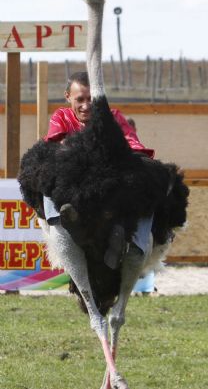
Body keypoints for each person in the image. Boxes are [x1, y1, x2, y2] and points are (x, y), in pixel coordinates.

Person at [43, 71, 155, 267]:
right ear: (68, 96)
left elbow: (134, 146)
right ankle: (60, 226)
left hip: (109, 184)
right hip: (73, 184)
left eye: (91, 99)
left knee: (149, 183)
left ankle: (136, 245)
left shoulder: (113, 118)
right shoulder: (61, 117)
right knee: (45, 176)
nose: (86, 106)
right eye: (80, 99)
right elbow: (57, 147)